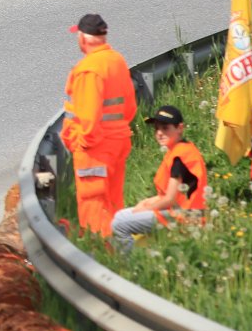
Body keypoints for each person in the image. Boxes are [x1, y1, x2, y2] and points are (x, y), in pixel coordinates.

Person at [61, 13, 137, 236]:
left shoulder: (88, 70)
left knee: (94, 204)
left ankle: (101, 247)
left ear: (83, 38)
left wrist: (81, 143)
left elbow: (88, 118)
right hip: (118, 141)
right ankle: (118, 244)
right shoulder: (116, 60)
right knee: (113, 201)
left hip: (96, 148)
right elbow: (130, 108)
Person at [110, 104, 208, 253]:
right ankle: (128, 255)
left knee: (119, 224)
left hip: (186, 217)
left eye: (165, 128)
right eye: (157, 129)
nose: (160, 133)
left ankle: (129, 262)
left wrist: (146, 208)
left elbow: (170, 199)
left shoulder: (180, 156)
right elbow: (169, 195)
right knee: (120, 215)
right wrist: (146, 202)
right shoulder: (179, 150)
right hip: (178, 212)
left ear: (180, 128)